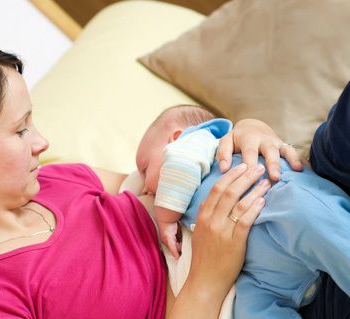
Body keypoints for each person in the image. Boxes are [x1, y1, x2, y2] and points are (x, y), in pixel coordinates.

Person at [0, 36, 301, 319]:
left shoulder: (60, 179)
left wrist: (244, 131)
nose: (42, 142)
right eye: (20, 131)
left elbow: (169, 173)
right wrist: (210, 276)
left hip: (285, 244)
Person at [136, 103, 350, 318]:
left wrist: (165, 217)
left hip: (278, 206)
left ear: (175, 137)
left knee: (308, 217)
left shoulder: (193, 143)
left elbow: (179, 166)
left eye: (144, 169)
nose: (144, 187)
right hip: (261, 273)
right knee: (248, 310)